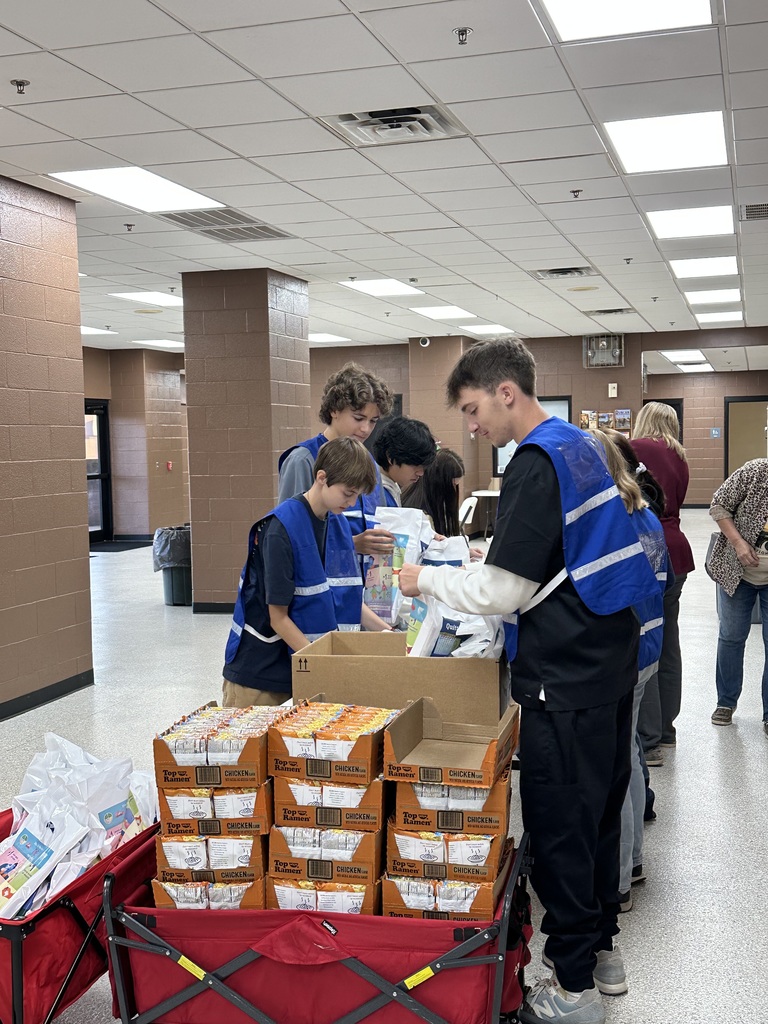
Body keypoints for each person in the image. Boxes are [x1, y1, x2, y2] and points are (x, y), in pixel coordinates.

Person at [399, 339, 658, 1024]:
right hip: (607, 663)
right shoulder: (581, 444)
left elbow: (504, 590)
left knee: (561, 829)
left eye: (472, 408)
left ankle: (571, 990)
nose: (471, 425)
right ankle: (599, 956)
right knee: (598, 819)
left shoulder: (534, 463)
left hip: (562, 679)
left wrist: (426, 580)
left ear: (506, 392)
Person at [222, 438, 389, 708]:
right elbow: (278, 618)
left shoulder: (335, 523)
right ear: (322, 477)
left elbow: (344, 598)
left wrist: (388, 634)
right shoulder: (280, 529)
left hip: (302, 663)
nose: (351, 502)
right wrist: (323, 663)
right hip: (261, 671)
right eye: (348, 493)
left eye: (357, 495)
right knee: (245, 735)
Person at [587, 428, 669, 915]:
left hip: (624, 654)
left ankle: (616, 879)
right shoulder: (644, 511)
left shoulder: (608, 518)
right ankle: (632, 859)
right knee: (630, 755)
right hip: (648, 644)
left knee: (614, 764)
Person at [631, 402, 695, 765]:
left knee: (647, 641)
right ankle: (666, 729)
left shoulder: (637, 449)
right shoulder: (680, 456)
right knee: (669, 640)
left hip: (649, 550)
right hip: (677, 550)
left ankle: (649, 739)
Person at [278, 363, 395, 558]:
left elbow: (381, 521)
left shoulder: (370, 464)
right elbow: (289, 534)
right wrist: (352, 544)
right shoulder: (303, 460)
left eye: (373, 421)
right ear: (334, 410)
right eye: (358, 418)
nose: (366, 429)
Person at [707, 458, 768, 734]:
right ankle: (726, 702)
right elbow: (718, 505)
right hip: (736, 571)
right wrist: (738, 542)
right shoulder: (755, 472)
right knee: (731, 636)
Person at [371, 416, 436, 506]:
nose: (420, 473)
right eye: (415, 465)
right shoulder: (373, 495)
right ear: (390, 457)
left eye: (423, 466)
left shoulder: (391, 487)